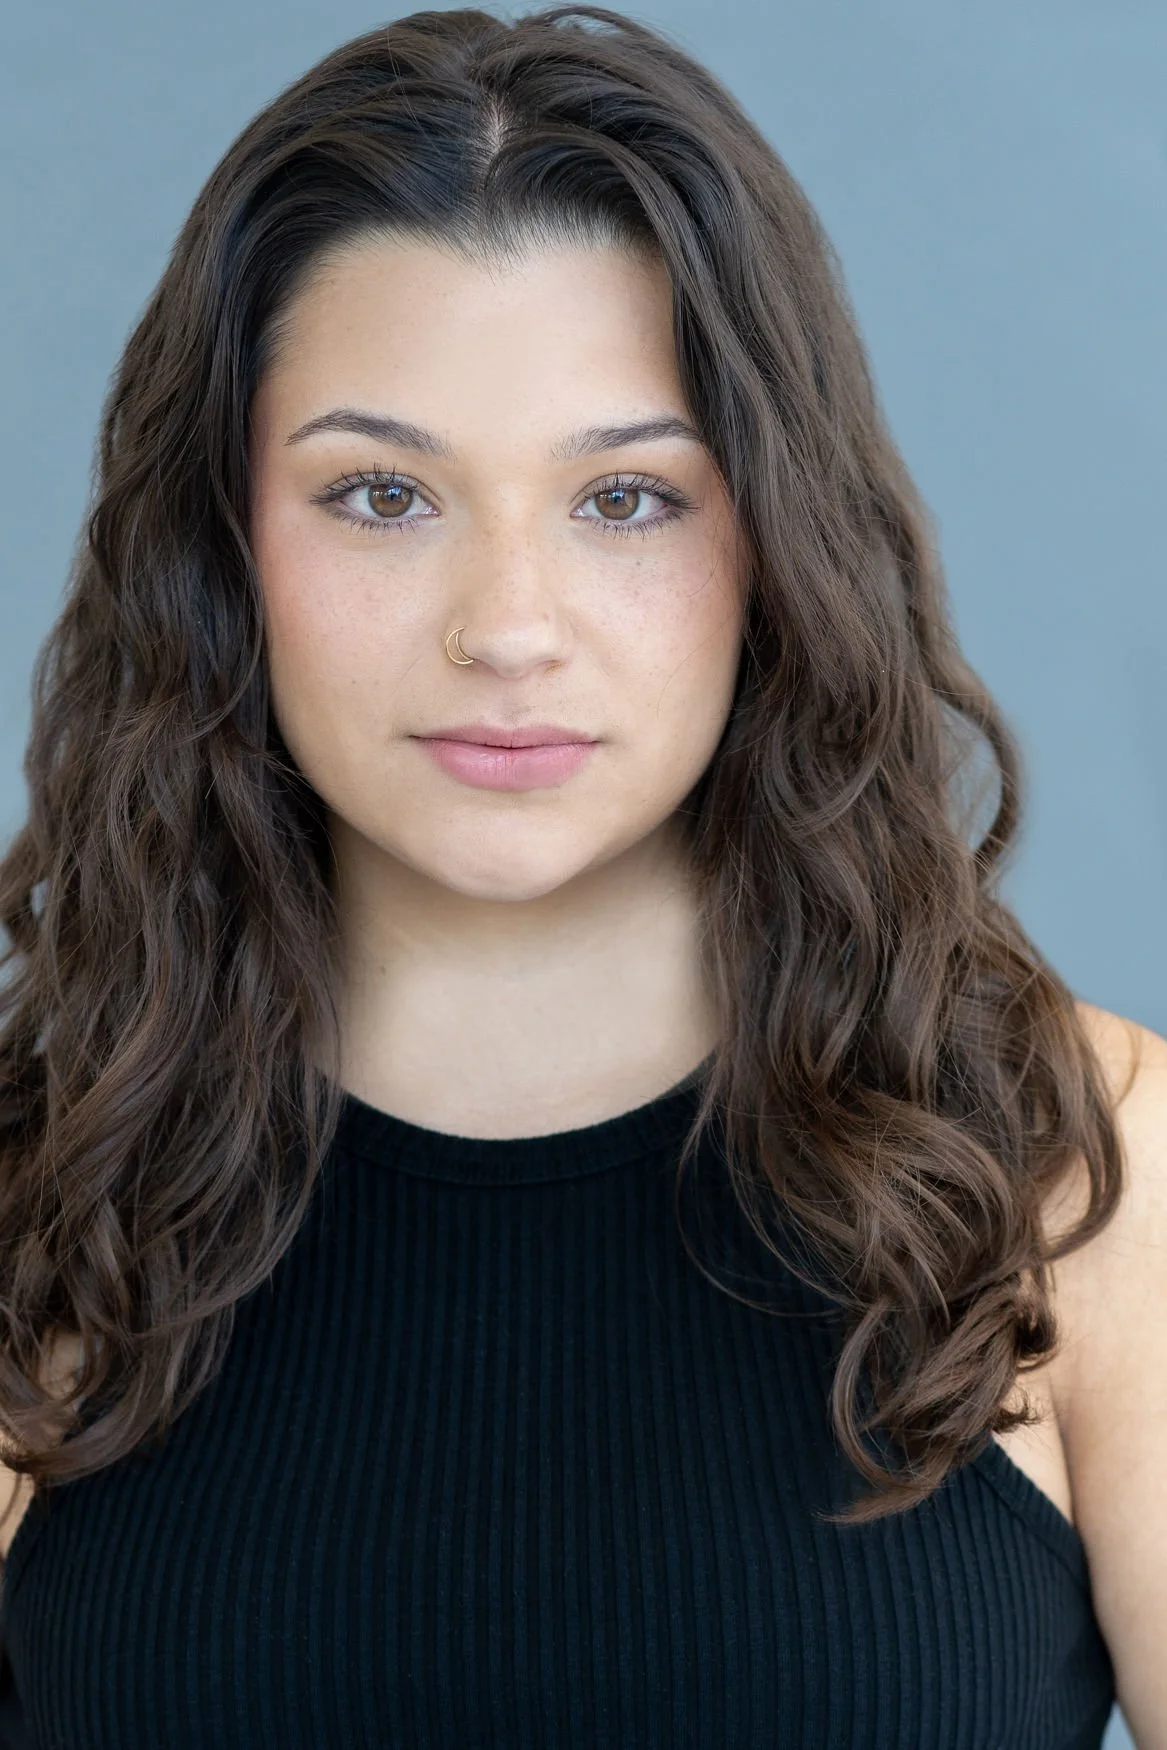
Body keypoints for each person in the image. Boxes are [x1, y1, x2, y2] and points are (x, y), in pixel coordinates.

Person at [0, 6, 1163, 1745]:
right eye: (381, 495)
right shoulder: (41, 1195)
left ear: (776, 537)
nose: (508, 629)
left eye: (624, 499)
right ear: (221, 547)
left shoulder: (1094, 1170)